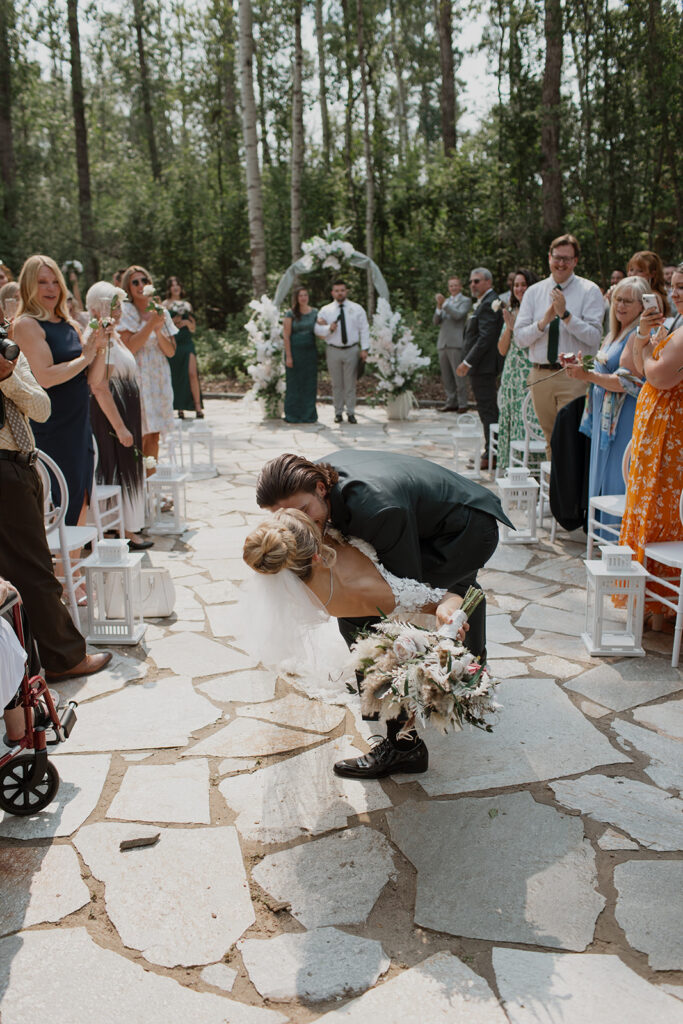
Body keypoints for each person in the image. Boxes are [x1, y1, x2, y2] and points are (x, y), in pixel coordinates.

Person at [254, 450, 512, 779]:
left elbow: (402, 596)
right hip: (432, 521)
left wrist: (391, 658)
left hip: (465, 534)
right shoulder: (308, 482)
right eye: (285, 515)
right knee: (423, 601)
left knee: (366, 624)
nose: (299, 522)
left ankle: (405, 748)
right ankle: (473, 661)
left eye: (303, 512)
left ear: (321, 488)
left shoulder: (377, 510)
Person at [0, 334, 111, 679]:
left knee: (25, 570)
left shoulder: (9, 355)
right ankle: (63, 659)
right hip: (5, 472)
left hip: (22, 466)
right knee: (35, 571)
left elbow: (42, 408)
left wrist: (7, 377)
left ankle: (27, 661)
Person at [13, 255, 107, 526]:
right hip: (51, 427)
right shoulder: (26, 325)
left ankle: (73, 568)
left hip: (79, 424)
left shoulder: (69, 324)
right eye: (42, 282)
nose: (51, 288)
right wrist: (86, 356)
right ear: (29, 285)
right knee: (57, 501)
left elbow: (92, 379)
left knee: (81, 497)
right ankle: (58, 566)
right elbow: (45, 377)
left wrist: (101, 347)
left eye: (55, 281)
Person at [619, 262, 683, 624]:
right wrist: (642, 333)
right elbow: (630, 362)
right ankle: (648, 602)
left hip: (672, 436)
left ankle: (661, 604)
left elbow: (657, 377)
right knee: (646, 506)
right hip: (652, 431)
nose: (674, 294)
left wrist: (646, 355)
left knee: (662, 511)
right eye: (673, 287)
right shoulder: (673, 324)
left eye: (682, 288)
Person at [561, 276, 647, 540]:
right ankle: (602, 535)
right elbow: (604, 367)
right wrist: (582, 365)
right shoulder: (615, 331)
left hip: (624, 417)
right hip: (603, 415)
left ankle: (616, 537)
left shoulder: (637, 335)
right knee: (601, 472)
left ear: (642, 306)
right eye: (618, 299)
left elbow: (628, 381)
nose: (620, 305)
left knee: (616, 476)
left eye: (628, 301)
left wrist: (586, 376)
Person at [514, 233, 603, 460]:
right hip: (540, 374)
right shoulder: (534, 292)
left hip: (572, 375)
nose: (561, 263)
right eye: (557, 257)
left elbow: (594, 337)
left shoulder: (589, 290)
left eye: (567, 258)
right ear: (549, 258)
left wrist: (565, 315)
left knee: (571, 438)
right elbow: (520, 338)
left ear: (575, 261)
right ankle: (555, 492)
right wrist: (543, 322)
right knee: (550, 439)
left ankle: (573, 493)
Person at [86, 281, 152, 551]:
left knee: (125, 467)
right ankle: (120, 529)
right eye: (113, 305)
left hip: (127, 413)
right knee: (115, 468)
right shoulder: (101, 341)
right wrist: (121, 427)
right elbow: (99, 386)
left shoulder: (114, 338)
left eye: (119, 304)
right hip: (112, 418)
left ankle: (125, 526)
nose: (119, 310)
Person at [118, 266, 177, 469]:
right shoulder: (125, 311)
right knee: (139, 433)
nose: (141, 285)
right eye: (135, 282)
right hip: (137, 375)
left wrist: (159, 329)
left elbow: (170, 351)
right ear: (128, 286)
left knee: (154, 435)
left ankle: (153, 487)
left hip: (158, 376)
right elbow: (130, 347)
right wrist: (151, 324)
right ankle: (138, 489)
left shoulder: (161, 311)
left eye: (144, 280)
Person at [456, 267, 503, 470]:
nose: (472, 285)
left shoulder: (490, 304)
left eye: (476, 281)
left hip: (484, 367)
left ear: (488, 282)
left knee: (488, 410)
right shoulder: (484, 302)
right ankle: (491, 450)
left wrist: (468, 362)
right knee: (486, 410)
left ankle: (492, 453)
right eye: (471, 282)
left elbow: (486, 337)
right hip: (481, 367)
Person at [496, 269, 539, 473]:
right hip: (511, 374)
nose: (520, 288)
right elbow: (502, 349)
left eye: (524, 284)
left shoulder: (537, 313)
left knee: (528, 420)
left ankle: (529, 469)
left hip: (528, 372)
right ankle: (510, 468)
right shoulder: (512, 311)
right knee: (510, 418)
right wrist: (509, 328)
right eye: (516, 285)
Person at [314, 280, 369, 424]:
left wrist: (365, 348)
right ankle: (338, 412)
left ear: (346, 291)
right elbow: (317, 329)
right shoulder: (326, 310)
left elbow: (364, 329)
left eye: (342, 290)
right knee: (337, 383)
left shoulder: (357, 309)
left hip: (352, 349)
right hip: (333, 349)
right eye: (337, 290)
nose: (340, 293)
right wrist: (328, 329)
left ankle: (351, 412)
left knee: (350, 383)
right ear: (332, 293)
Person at [163, 276, 203, 420]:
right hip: (174, 343)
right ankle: (179, 408)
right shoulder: (165, 304)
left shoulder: (187, 305)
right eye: (172, 285)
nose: (175, 287)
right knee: (176, 374)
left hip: (186, 342)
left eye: (178, 284)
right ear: (169, 288)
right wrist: (173, 321)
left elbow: (193, 328)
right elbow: (163, 326)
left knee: (192, 373)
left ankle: (198, 407)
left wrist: (186, 322)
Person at [433, 275, 472, 413]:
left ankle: (462, 403)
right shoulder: (445, 302)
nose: (453, 288)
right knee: (446, 376)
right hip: (442, 342)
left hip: (456, 343)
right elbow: (436, 321)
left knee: (459, 375)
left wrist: (444, 304)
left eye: (455, 285)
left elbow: (458, 315)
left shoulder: (465, 301)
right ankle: (451, 402)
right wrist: (438, 308)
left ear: (460, 286)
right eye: (451, 286)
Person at [282, 286, 318, 423]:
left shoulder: (315, 312)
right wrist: (289, 356)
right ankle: (293, 414)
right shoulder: (290, 314)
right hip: (295, 351)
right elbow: (286, 335)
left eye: (305, 295)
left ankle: (308, 414)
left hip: (310, 351)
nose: (303, 297)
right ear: (296, 298)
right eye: (300, 295)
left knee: (309, 383)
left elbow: (321, 329)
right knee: (294, 383)